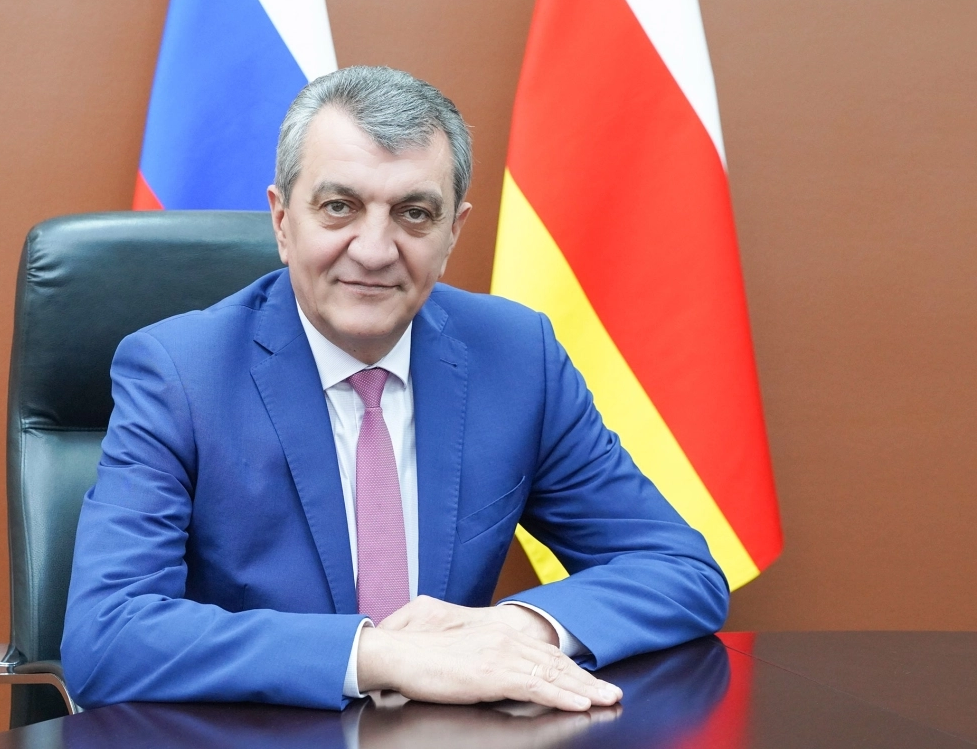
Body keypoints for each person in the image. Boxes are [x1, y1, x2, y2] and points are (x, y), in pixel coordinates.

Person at [61, 66, 728, 712]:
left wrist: (516, 627)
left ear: (452, 232)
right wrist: (378, 655)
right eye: (339, 207)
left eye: (413, 213)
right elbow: (107, 638)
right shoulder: (180, 373)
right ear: (283, 220)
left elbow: (680, 569)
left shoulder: (518, 358)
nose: (375, 250)